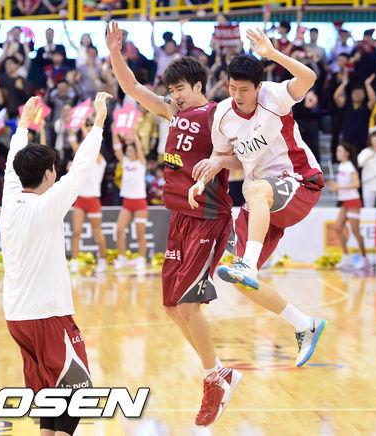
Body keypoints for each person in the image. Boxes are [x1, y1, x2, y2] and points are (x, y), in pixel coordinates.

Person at [107, 20, 241, 426]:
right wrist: (115, 53)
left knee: (186, 304)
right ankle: (219, 372)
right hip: (180, 217)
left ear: (199, 86)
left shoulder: (218, 114)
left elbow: (243, 162)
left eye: (181, 88)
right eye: (171, 89)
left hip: (209, 216)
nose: (175, 95)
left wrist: (220, 161)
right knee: (171, 307)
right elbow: (133, 88)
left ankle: (214, 377)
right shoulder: (171, 111)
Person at [189, 29, 328, 368]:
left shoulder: (275, 96)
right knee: (241, 282)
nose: (237, 95)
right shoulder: (223, 116)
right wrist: (210, 170)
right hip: (262, 200)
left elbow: (308, 78)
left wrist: (273, 53)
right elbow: (234, 160)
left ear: (258, 87)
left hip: (300, 183)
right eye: (232, 88)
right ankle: (305, 324)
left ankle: (248, 263)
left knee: (254, 193)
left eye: (244, 90)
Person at [1, 93, 110, 436]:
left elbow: (11, 160)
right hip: (46, 315)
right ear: (49, 174)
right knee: (79, 394)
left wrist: (22, 125)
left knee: (50, 396)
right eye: (54, 171)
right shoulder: (47, 205)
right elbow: (80, 169)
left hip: (16, 317)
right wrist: (99, 122)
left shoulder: (9, 199)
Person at [68, 123, 108, 274]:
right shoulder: (83, 159)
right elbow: (73, 143)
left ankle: (102, 260)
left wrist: (85, 128)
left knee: (97, 232)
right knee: (76, 231)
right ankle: (74, 261)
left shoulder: (100, 160)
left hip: (93, 201)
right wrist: (72, 124)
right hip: (80, 200)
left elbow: (92, 145)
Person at [111, 128, 148, 271]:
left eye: (130, 151)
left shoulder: (141, 163)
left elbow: (139, 148)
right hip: (127, 202)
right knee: (119, 231)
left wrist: (134, 134)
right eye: (127, 151)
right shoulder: (125, 162)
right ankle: (122, 258)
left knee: (140, 233)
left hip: (140, 203)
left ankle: (142, 259)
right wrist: (114, 131)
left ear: (136, 152)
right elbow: (116, 148)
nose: (128, 152)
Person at [328, 142, 367, 269]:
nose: (337, 153)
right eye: (337, 151)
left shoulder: (349, 166)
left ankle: (364, 258)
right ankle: (346, 257)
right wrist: (335, 186)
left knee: (355, 231)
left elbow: (356, 184)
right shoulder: (341, 166)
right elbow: (344, 185)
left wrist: (339, 187)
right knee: (337, 228)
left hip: (353, 201)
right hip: (345, 202)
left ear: (347, 153)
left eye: (339, 151)